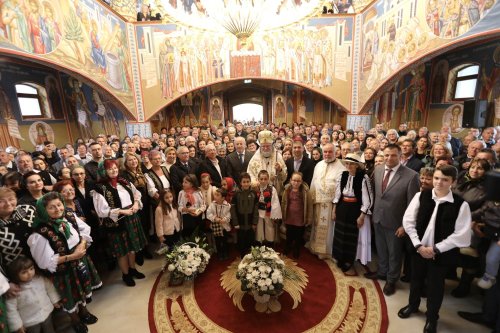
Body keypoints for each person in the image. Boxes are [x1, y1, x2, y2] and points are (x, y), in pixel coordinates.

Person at [399, 165, 471, 333]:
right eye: (437, 178)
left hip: (440, 254)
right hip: (418, 249)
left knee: (435, 287)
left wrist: (436, 249)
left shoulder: (461, 205)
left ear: (452, 182)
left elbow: (461, 234)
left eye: (445, 180)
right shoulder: (421, 196)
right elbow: (408, 221)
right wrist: (418, 245)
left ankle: (432, 317)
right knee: (415, 279)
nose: (439, 182)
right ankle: (413, 305)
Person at [28, 192, 101, 333]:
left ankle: (84, 312)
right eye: (51, 207)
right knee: (70, 294)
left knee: (82, 289)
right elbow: (45, 262)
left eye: (59, 204)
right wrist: (72, 257)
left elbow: (85, 230)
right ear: (43, 210)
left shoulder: (68, 217)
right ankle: (75, 320)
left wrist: (82, 243)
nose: (58, 209)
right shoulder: (39, 234)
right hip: (63, 271)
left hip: (79, 260)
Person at [365, 144, 420, 297]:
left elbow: (413, 205)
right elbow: (376, 195)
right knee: (381, 249)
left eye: (393, 155)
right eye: (387, 155)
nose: (389, 158)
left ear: (401, 156)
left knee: (394, 253)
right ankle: (382, 272)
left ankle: (391, 279)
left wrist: (405, 226)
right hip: (378, 217)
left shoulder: (411, 176)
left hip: (396, 222)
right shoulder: (378, 170)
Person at [92, 159, 147, 287]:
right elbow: (102, 211)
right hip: (117, 222)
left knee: (132, 248)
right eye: (110, 168)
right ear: (103, 171)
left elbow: (137, 194)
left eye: (115, 167)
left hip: (132, 217)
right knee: (122, 250)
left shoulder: (124, 182)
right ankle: (126, 274)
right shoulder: (100, 188)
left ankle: (133, 269)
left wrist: (136, 204)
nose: (114, 170)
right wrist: (122, 211)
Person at [332, 154, 374, 274]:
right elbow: (337, 194)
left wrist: (362, 216)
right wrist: (334, 209)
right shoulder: (343, 175)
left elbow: (368, 199)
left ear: (357, 165)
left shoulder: (363, 177)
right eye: (347, 163)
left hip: (355, 209)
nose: (348, 166)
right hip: (342, 207)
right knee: (340, 234)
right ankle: (339, 258)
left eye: (351, 164)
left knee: (350, 236)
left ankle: (348, 261)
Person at [308, 143, 346, 259]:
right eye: (325, 152)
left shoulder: (341, 166)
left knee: (329, 228)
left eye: (330, 152)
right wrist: (311, 199)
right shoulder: (319, 164)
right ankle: (315, 247)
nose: (327, 154)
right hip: (317, 201)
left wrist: (336, 205)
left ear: (335, 152)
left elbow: (341, 187)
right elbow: (313, 182)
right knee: (316, 224)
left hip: (330, 203)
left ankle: (326, 250)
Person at [5, 255, 61, 333]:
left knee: (50, 329)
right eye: (24, 272)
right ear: (16, 275)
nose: (29, 273)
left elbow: (50, 289)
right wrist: (17, 325)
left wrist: (55, 300)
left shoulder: (40, 279)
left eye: (31, 269)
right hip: (30, 321)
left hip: (46, 312)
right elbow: (11, 309)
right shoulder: (15, 290)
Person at [281, 172, 312, 258]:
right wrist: (283, 215)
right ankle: (287, 247)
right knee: (289, 235)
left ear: (301, 182)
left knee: (298, 236)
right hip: (289, 217)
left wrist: (309, 218)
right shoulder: (287, 190)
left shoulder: (305, 191)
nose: (296, 183)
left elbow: (309, 205)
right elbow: (283, 203)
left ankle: (296, 249)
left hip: (300, 218)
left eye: (298, 181)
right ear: (290, 180)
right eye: (294, 180)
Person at [247, 130, 287, 194]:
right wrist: (254, 182)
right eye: (263, 146)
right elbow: (250, 173)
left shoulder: (278, 156)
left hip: (275, 191)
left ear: (272, 145)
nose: (265, 148)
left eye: (268, 146)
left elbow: (284, 177)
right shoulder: (255, 158)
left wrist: (280, 170)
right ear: (260, 146)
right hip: (259, 191)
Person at [231, 172, 259, 257]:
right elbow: (233, 210)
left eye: (247, 181)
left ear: (250, 182)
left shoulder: (254, 194)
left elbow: (256, 209)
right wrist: (235, 223)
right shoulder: (236, 194)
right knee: (241, 239)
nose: (246, 184)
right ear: (240, 182)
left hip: (250, 222)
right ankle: (243, 255)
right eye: (244, 182)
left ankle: (251, 255)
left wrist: (254, 222)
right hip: (240, 222)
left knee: (250, 239)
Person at [255, 170, 282, 247]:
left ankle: (270, 243)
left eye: (265, 179)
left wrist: (274, 214)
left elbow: (275, 202)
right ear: (258, 179)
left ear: (268, 179)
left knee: (269, 227)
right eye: (261, 179)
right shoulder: (256, 188)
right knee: (259, 228)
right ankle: (259, 243)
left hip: (268, 211)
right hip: (258, 211)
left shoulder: (272, 189)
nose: (263, 181)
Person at [206, 188, 231, 260]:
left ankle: (225, 253)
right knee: (217, 241)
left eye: (217, 195)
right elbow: (208, 213)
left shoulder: (227, 205)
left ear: (223, 198)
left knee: (224, 240)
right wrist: (214, 218)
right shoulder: (212, 204)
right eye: (215, 195)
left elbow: (229, 214)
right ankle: (220, 254)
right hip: (216, 226)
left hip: (224, 227)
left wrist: (225, 219)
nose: (215, 196)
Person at [178, 174, 205, 238]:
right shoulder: (181, 193)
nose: (183, 184)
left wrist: (198, 212)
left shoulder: (198, 192)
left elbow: (203, 206)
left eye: (185, 182)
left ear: (192, 184)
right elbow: (179, 207)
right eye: (183, 182)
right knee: (188, 236)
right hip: (187, 219)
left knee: (198, 237)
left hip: (197, 217)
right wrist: (187, 210)